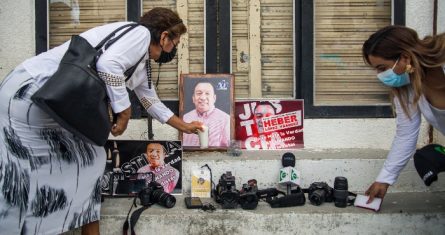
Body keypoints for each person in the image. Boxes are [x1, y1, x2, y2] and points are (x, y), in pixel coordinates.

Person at [0, 7, 203, 235]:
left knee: (91, 160)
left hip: (49, 102)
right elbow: (109, 65)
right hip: (31, 94)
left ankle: (81, 225)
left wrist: (185, 126)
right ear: (164, 36)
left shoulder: (139, 61)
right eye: (174, 44)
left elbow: (150, 102)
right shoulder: (140, 34)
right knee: (24, 173)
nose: (172, 51)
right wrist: (124, 111)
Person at [361, 25, 445, 204]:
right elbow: (406, 134)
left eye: (382, 67)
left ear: (405, 58)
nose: (380, 75)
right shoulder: (408, 87)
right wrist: (385, 179)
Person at [183, 82, 231, 147]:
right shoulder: (185, 118)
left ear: (214, 98)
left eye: (207, 93)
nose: (203, 97)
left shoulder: (226, 119)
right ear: (193, 98)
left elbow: (228, 148)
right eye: (199, 93)